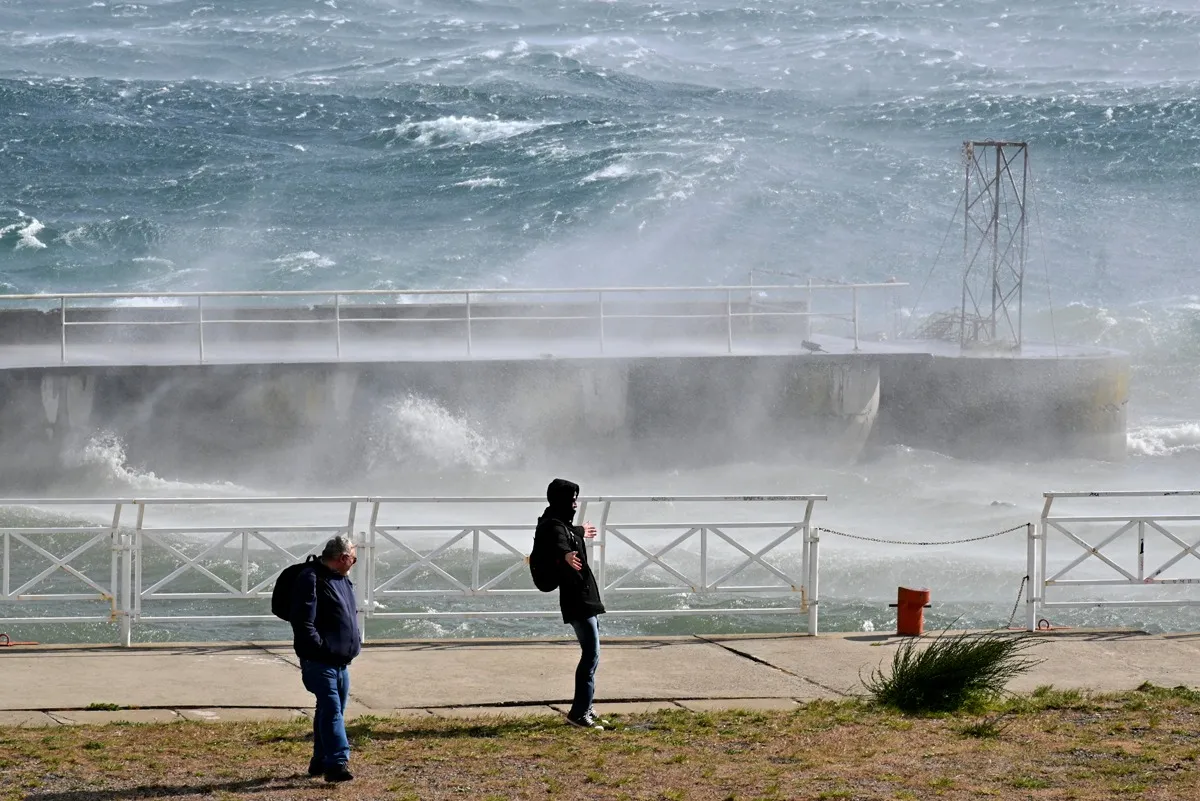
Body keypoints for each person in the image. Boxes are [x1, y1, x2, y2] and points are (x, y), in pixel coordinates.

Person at [536, 478, 608, 730]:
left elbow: (565, 531)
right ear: (561, 500)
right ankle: (578, 714)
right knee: (591, 655)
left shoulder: (559, 523)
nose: (575, 503)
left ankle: (586, 707)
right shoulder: (553, 527)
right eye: (572, 499)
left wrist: (580, 531)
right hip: (577, 599)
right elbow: (557, 542)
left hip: (585, 596)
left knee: (594, 655)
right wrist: (564, 554)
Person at [290, 533, 361, 782]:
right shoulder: (310, 578)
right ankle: (337, 764)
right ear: (343, 558)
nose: (354, 563)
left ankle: (320, 761)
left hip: (341, 663)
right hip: (320, 661)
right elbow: (302, 621)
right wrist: (320, 648)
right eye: (354, 558)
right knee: (331, 711)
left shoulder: (341, 580)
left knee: (331, 711)